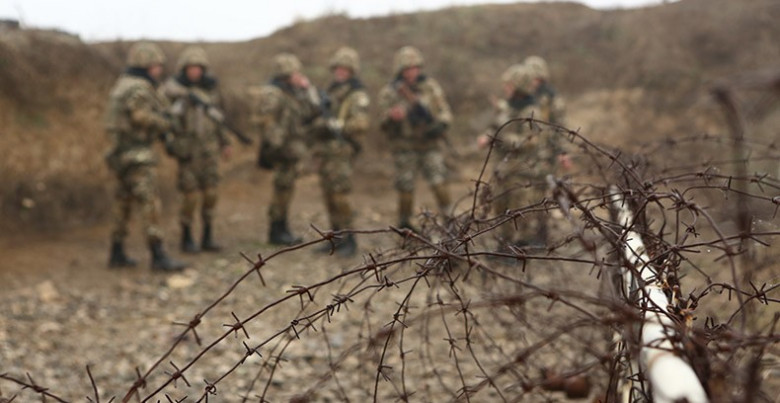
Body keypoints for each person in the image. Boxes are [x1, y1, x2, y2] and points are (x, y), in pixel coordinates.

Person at [103, 42, 188, 271]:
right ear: (146, 65)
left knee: (122, 202)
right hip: (137, 154)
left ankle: (117, 251)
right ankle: (158, 255)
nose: (159, 69)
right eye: (156, 65)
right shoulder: (140, 88)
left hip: (119, 153)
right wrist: (165, 123)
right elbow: (140, 117)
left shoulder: (122, 84)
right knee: (149, 202)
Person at [160, 46, 231, 254]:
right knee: (190, 196)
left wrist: (225, 143)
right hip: (188, 152)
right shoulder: (174, 92)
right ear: (184, 69)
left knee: (211, 194)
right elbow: (166, 121)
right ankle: (187, 236)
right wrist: (172, 143)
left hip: (209, 150)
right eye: (191, 68)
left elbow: (219, 119)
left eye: (198, 67)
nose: (195, 71)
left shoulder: (211, 91)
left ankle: (207, 235)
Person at [378, 46, 453, 231]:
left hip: (429, 144)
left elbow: (444, 111)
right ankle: (405, 225)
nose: (411, 72)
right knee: (405, 186)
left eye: (415, 68)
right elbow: (382, 122)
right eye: (407, 69)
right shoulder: (390, 92)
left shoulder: (430, 87)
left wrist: (440, 125)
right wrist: (392, 117)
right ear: (400, 70)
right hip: (405, 146)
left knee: (439, 181)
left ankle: (451, 220)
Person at [251, 53, 321, 246]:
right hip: (282, 151)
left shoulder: (294, 93)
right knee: (281, 189)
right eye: (296, 73)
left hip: (291, 150)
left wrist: (308, 90)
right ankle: (276, 230)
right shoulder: (274, 93)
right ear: (287, 74)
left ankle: (282, 228)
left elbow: (312, 112)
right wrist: (277, 145)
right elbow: (266, 121)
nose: (299, 76)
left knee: (286, 189)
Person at [476, 64, 549, 249]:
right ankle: (504, 245)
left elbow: (531, 141)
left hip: (521, 171)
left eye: (509, 85)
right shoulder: (507, 108)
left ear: (519, 87)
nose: (505, 88)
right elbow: (495, 126)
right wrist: (487, 136)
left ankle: (518, 247)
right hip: (503, 170)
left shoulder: (530, 111)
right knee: (500, 206)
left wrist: (502, 138)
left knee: (518, 209)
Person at [312, 47, 370, 256]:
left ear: (352, 71)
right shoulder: (330, 92)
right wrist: (322, 124)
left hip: (342, 150)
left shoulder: (356, 95)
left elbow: (361, 123)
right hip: (326, 150)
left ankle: (350, 239)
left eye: (344, 69)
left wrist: (339, 126)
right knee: (328, 194)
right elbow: (318, 118)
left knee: (340, 195)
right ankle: (335, 237)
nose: (340, 72)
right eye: (337, 68)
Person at [524, 55, 572, 174]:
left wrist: (562, 151)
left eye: (534, 78)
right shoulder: (527, 96)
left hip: (547, 152)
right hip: (529, 151)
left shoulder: (552, 98)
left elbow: (560, 125)